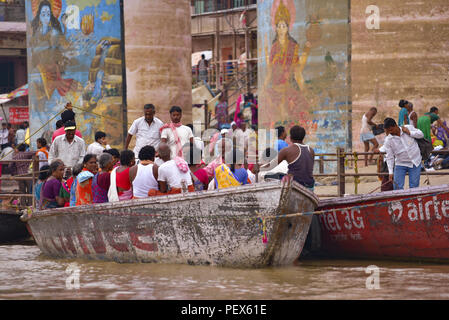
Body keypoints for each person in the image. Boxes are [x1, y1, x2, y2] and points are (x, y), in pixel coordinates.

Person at [264, 126, 315, 191]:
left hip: (296, 184)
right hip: (310, 185)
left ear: (290, 138)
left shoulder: (287, 150)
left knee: (268, 176)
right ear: (303, 137)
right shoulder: (311, 150)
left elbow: (270, 165)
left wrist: (259, 168)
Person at [380, 118, 424, 190]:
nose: (390, 133)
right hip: (400, 163)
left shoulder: (408, 127)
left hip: (415, 162)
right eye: (387, 132)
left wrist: (409, 132)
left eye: (391, 130)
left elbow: (421, 134)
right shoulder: (388, 140)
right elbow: (389, 156)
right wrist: (390, 172)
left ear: (396, 125)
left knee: (414, 187)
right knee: (397, 187)